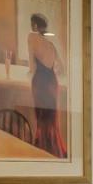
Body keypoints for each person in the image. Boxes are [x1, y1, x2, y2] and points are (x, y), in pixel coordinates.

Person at [27, 13, 67, 158]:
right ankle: (54, 148)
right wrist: (52, 68)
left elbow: (32, 67)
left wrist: (30, 71)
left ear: (36, 25)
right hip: (52, 81)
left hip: (40, 81)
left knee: (41, 116)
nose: (31, 26)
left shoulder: (31, 37)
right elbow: (62, 68)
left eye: (32, 23)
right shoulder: (51, 45)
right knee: (52, 116)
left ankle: (41, 148)